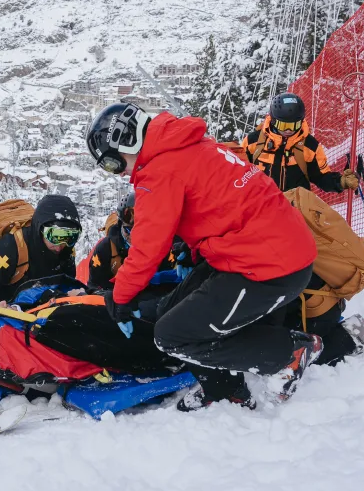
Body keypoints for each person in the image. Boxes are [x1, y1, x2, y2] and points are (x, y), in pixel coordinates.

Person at [86, 101, 322, 411]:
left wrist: (120, 297)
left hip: (270, 268)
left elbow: (147, 247)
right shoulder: (186, 144)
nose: (118, 174)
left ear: (126, 144)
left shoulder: (158, 171)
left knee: (172, 336)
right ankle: (225, 387)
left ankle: (286, 355)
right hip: (262, 251)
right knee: (173, 309)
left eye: (112, 165)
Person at [0, 194, 81, 307]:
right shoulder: (12, 247)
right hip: (8, 311)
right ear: (40, 229)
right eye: (54, 236)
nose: (59, 246)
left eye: (70, 237)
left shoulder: (66, 251)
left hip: (39, 311)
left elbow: (66, 285)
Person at [242, 93, 358, 193]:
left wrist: (341, 182)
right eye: (283, 125)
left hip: (294, 209)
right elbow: (238, 172)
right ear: (273, 120)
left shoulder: (310, 146)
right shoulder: (254, 141)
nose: (289, 130)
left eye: (294, 125)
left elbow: (321, 177)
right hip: (260, 206)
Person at [87, 190, 191, 295]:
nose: (135, 237)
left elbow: (173, 285)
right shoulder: (106, 249)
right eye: (130, 231)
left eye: (143, 232)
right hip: (116, 302)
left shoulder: (165, 247)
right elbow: (94, 287)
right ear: (121, 225)